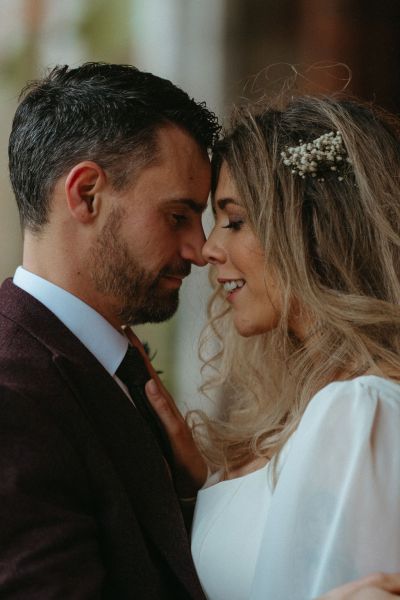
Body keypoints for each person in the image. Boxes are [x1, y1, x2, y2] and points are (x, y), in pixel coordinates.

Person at [144, 95, 400, 599]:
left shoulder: (359, 410)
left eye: (234, 220)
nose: (209, 249)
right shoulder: (311, 409)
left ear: (315, 231)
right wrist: (201, 490)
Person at [1, 61, 220, 599]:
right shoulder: (12, 396)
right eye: (178, 216)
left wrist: (193, 497)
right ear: (87, 194)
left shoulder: (108, 364)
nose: (201, 250)